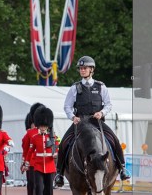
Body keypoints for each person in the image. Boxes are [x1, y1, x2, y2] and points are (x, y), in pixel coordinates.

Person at [54, 55, 131, 187]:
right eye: (81, 68)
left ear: (92, 70)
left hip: (96, 122)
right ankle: (59, 173)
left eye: (85, 68)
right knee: (64, 143)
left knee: (114, 140)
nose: (82, 70)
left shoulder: (101, 86)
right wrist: (73, 117)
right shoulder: (74, 88)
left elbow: (108, 104)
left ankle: (122, 168)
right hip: (80, 122)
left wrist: (101, 113)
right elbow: (67, 106)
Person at [25, 106, 59, 195]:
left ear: (48, 126)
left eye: (45, 126)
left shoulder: (53, 137)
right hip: (38, 165)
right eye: (41, 126)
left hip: (49, 165)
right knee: (39, 187)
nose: (43, 128)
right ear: (39, 126)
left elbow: (57, 148)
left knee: (49, 188)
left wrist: (56, 153)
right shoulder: (35, 137)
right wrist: (27, 162)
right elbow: (30, 151)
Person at [21, 103, 44, 195]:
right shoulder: (30, 133)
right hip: (32, 162)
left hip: (43, 162)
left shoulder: (48, 133)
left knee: (42, 185)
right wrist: (25, 162)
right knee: (32, 184)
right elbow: (25, 148)